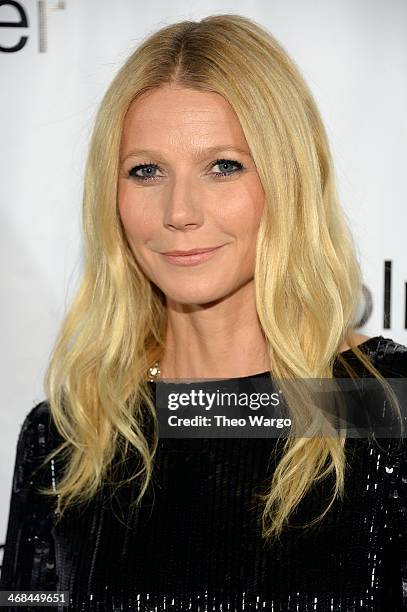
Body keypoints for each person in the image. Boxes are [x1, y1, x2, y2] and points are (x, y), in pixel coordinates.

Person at [1, 13, 406, 612]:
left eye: (223, 166)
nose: (180, 210)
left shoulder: (385, 405)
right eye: (146, 171)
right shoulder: (71, 435)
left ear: (290, 178)